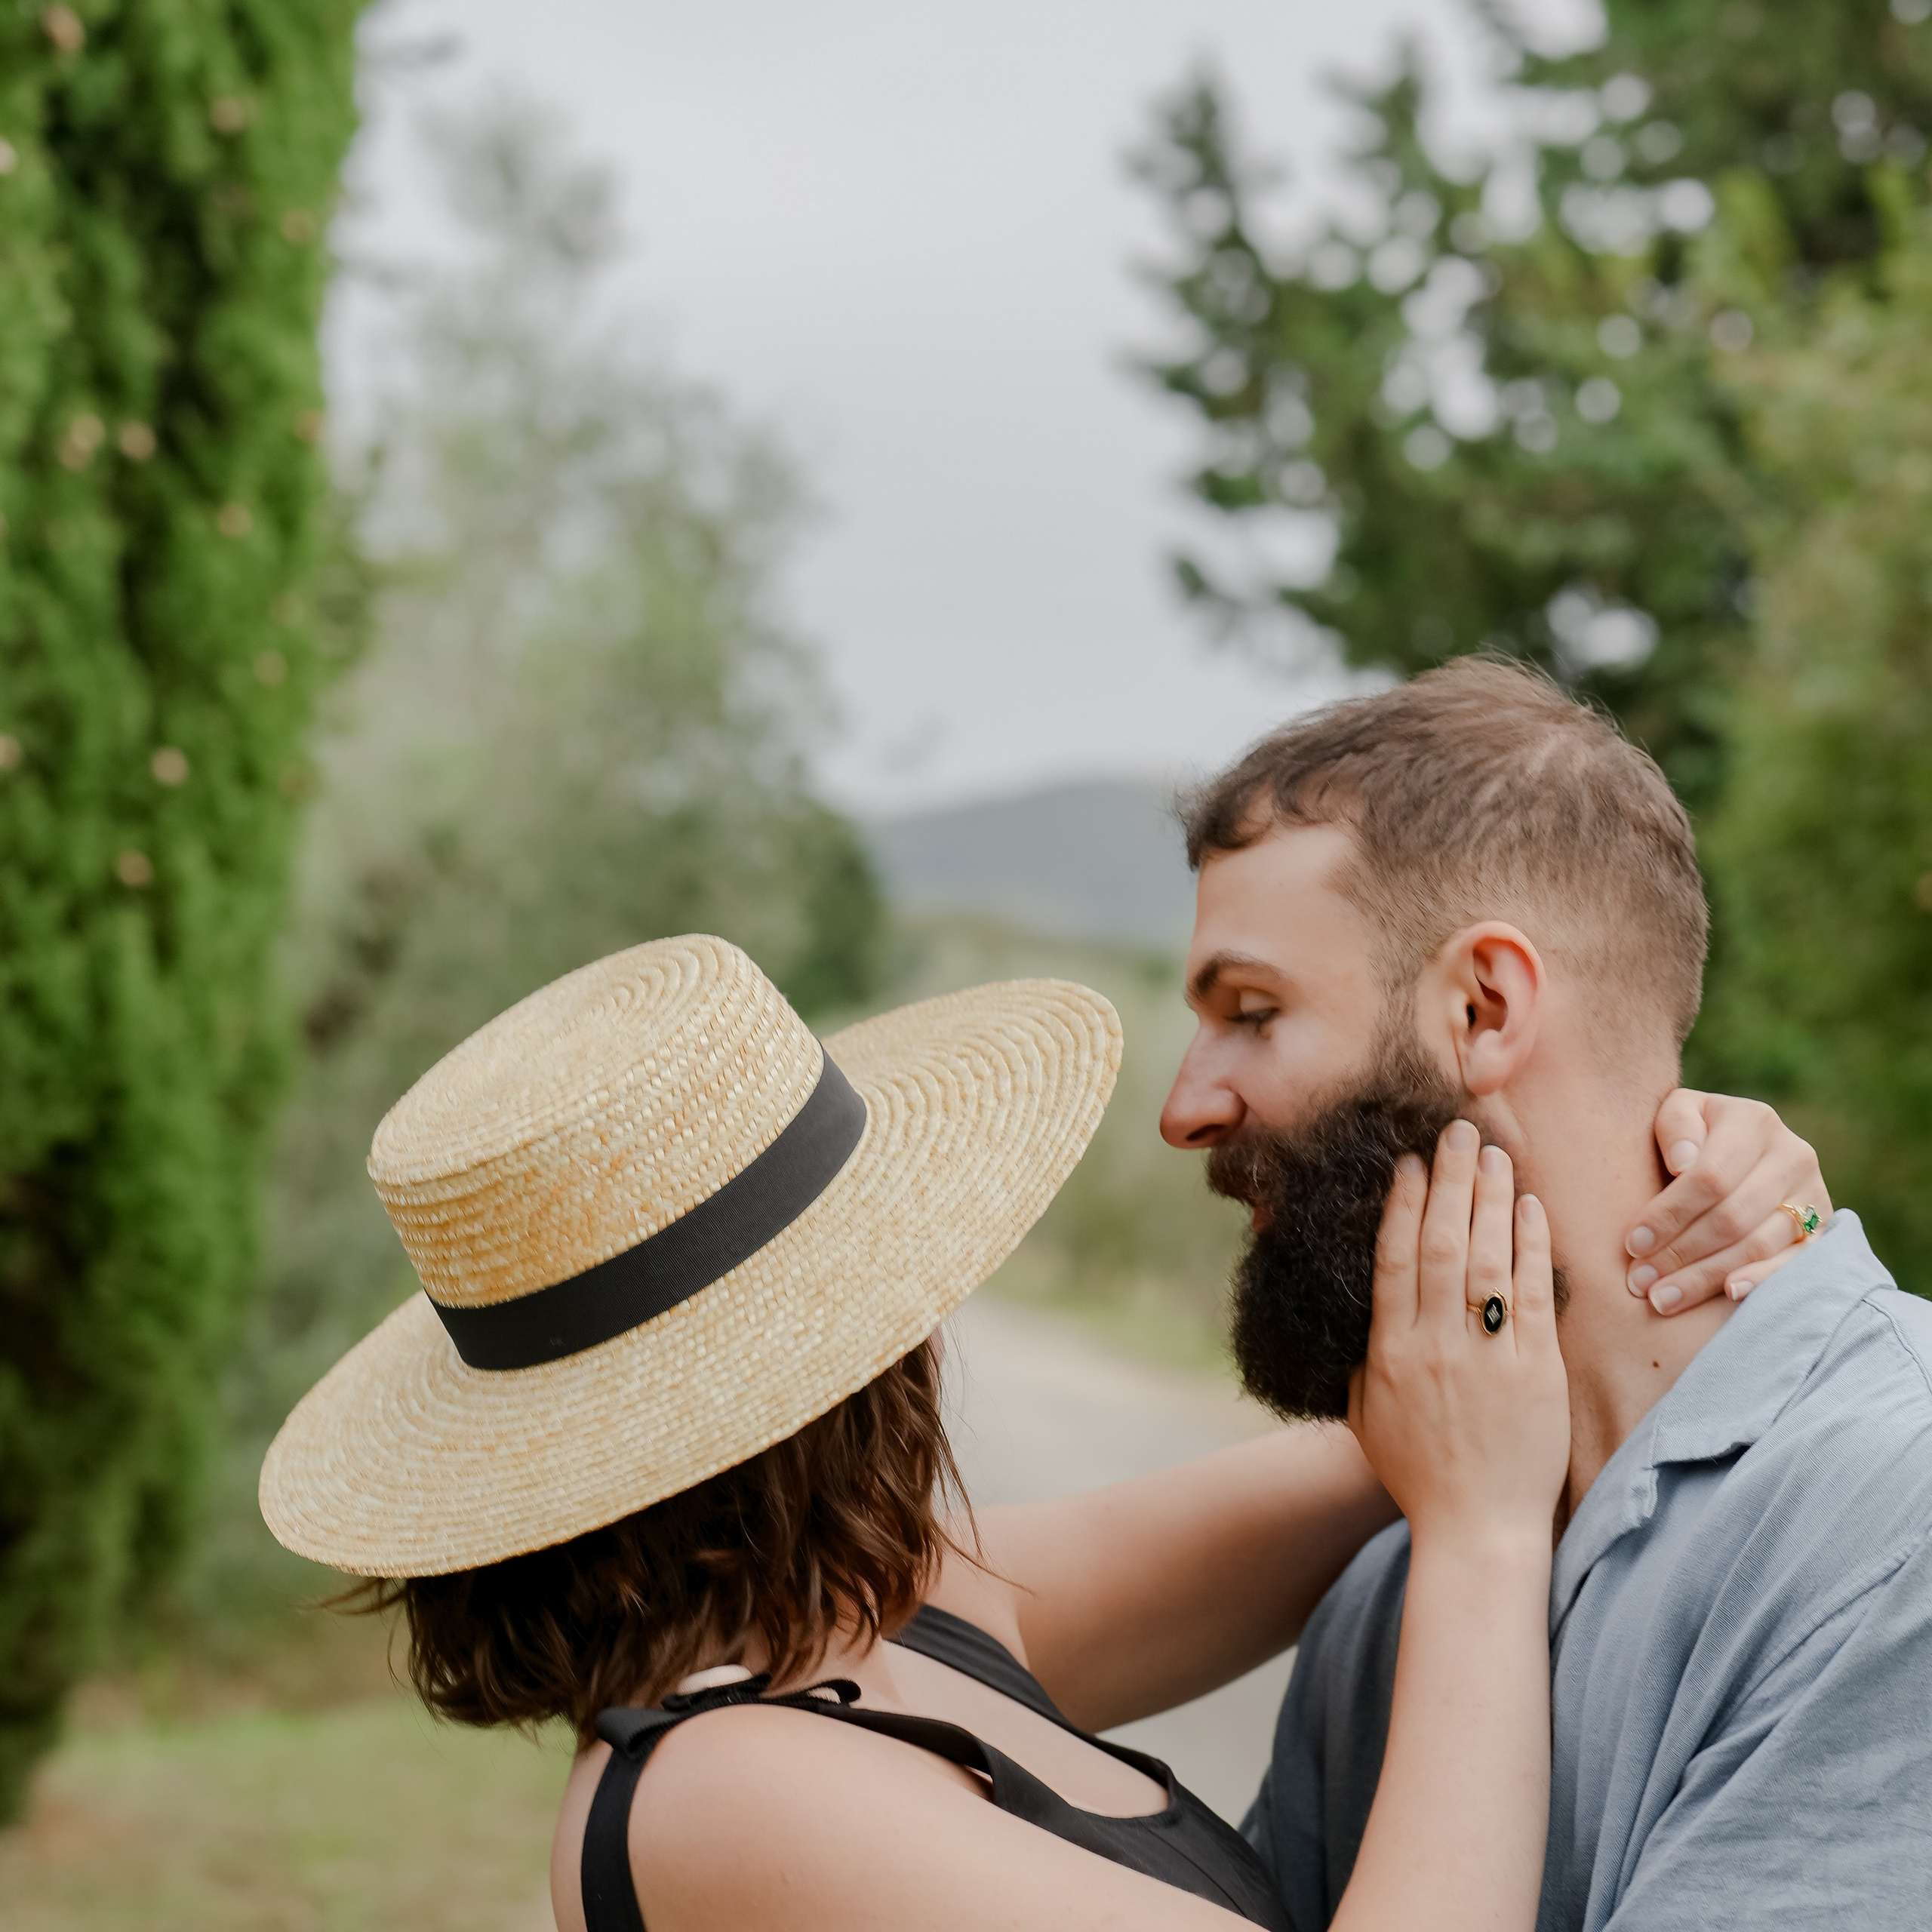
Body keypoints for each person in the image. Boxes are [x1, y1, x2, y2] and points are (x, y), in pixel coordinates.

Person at [258, 932, 1817, 1932]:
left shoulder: (880, 1620)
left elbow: (1433, 1421)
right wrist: (1477, 1545)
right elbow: (1454, 1476)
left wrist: (1666, 1196)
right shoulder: (727, 1797)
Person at [1158, 658, 1932, 1931]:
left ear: (1483, 1006)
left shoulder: (1894, 1530)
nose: (1190, 1109)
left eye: (1252, 1011)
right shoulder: (1400, 1580)